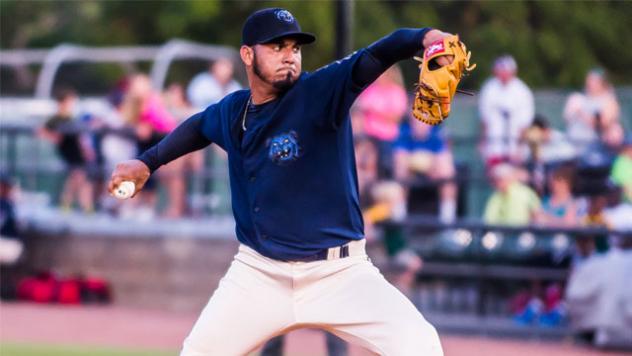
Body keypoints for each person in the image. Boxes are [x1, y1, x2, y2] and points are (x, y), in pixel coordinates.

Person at [109, 8, 447, 355]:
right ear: (247, 54)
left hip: (340, 273)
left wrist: (424, 37)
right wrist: (147, 161)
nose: (289, 55)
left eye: (295, 48)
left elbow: (376, 54)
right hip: (259, 274)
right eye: (277, 46)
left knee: (421, 345)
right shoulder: (233, 111)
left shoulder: (321, 91)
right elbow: (198, 127)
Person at [38, 88, 95, 212]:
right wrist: (55, 138)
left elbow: (79, 136)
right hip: (69, 152)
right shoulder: (57, 118)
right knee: (79, 177)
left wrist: (86, 150)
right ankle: (83, 205)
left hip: (76, 151)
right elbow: (42, 131)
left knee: (77, 178)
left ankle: (72, 204)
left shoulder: (70, 117)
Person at [393, 114, 457, 223]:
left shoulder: (437, 134)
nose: (421, 124)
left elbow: (445, 162)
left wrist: (432, 169)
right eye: (417, 120)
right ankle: (399, 224)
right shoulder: (404, 133)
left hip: (433, 172)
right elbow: (400, 161)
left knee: (448, 181)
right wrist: (417, 164)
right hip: (410, 173)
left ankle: (448, 224)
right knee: (400, 177)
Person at [479, 55, 534, 168]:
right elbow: (485, 119)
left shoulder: (522, 91)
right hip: (494, 142)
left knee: (513, 175)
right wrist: (483, 140)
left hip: (514, 142)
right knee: (495, 174)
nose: (503, 74)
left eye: (506, 71)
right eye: (501, 71)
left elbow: (524, 123)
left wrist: (520, 147)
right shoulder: (489, 88)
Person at [563, 68, 621, 154]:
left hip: (594, 144)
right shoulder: (578, 98)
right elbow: (566, 118)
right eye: (589, 80)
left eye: (594, 81)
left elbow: (603, 123)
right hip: (572, 142)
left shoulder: (608, 100)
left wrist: (581, 113)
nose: (590, 83)